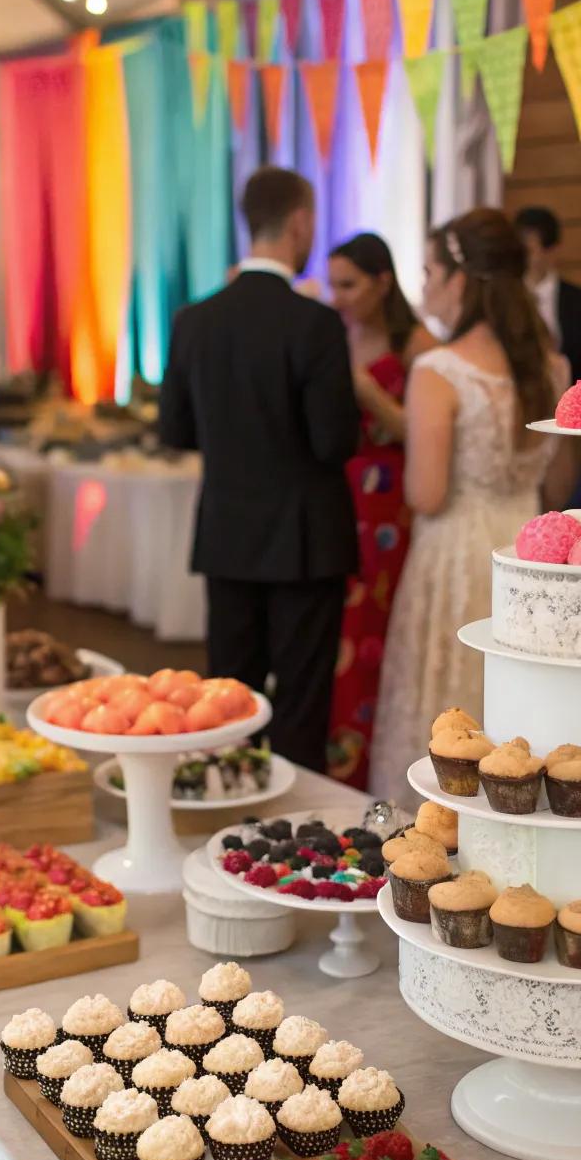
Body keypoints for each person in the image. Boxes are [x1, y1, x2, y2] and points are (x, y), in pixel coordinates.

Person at [158, 167, 360, 771]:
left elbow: (175, 432)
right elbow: (334, 443)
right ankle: (295, 835)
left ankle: (228, 812)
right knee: (301, 699)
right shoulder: (315, 323)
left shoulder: (195, 319)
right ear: (300, 222)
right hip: (305, 537)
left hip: (228, 531)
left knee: (231, 692)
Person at [370, 209, 568, 807]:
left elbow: (425, 495)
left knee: (444, 703)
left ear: (460, 279)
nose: (424, 286)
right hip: (530, 559)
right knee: (515, 711)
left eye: (430, 270)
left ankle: (429, 833)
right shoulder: (550, 366)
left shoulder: (439, 371)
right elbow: (558, 491)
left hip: (454, 558)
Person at [324, 232, 433, 789]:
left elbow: (428, 433)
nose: (337, 297)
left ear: (382, 282)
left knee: (374, 628)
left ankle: (372, 759)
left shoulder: (415, 344)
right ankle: (336, 759)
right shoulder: (332, 334)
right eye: (332, 284)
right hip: (342, 495)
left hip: (390, 504)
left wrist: (367, 392)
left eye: (349, 284)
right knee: (340, 625)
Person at [516, 206, 581, 387]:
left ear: (552, 250)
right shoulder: (502, 302)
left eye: (529, 250)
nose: (522, 258)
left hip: (575, 408)